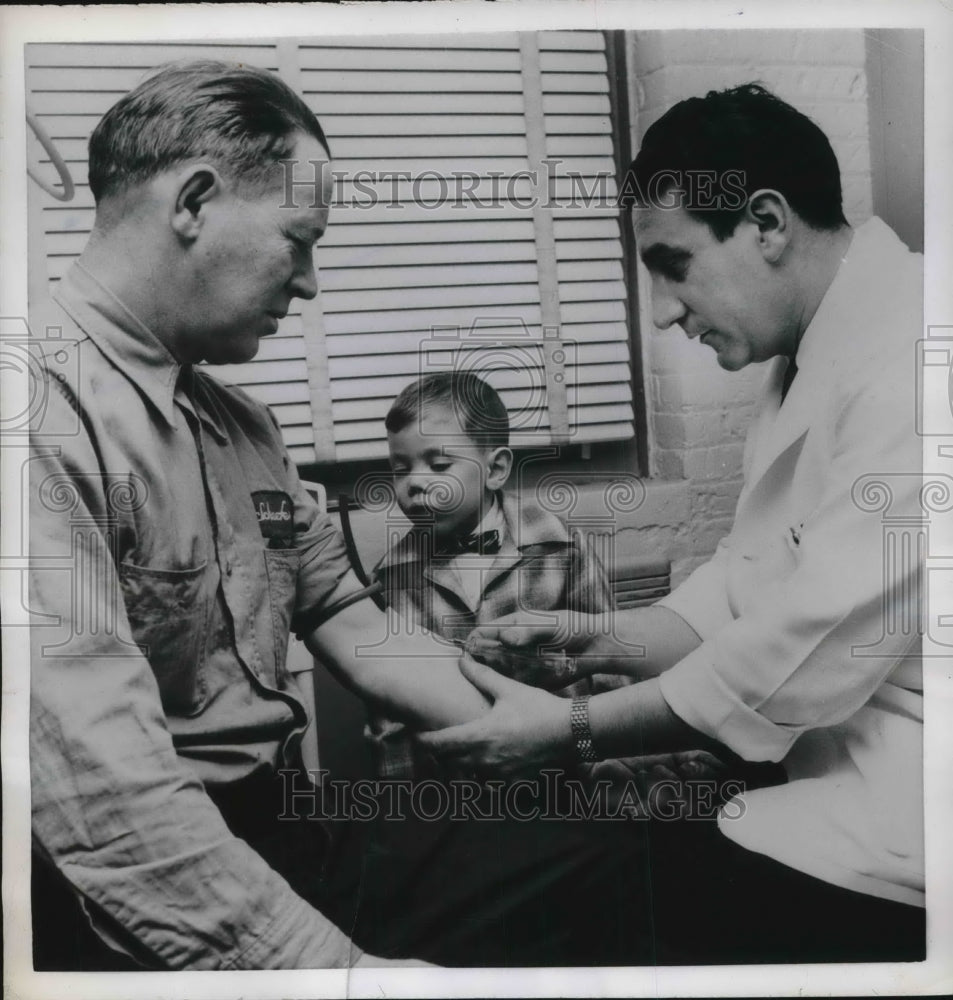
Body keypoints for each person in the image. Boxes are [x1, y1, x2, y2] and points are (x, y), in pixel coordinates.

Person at [28, 59, 657, 972]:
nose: (313, 284)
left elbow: (339, 609)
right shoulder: (35, 416)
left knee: (604, 853)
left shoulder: (243, 423)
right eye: (298, 240)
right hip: (142, 877)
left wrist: (555, 736)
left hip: (289, 828)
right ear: (194, 202)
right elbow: (106, 799)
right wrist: (338, 975)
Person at [419, 83, 926, 964]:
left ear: (765, 224)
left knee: (601, 894)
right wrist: (592, 638)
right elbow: (741, 586)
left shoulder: (919, 360)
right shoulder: (809, 353)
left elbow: (801, 646)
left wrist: (570, 731)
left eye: (672, 264)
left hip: (910, 794)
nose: (658, 311)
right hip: (825, 754)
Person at [367, 370, 611, 778]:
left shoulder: (561, 546)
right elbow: (389, 714)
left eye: (439, 464)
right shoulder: (392, 580)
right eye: (399, 468)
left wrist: (614, 767)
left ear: (495, 469)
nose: (414, 483)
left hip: (570, 776)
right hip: (457, 794)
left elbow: (607, 662)